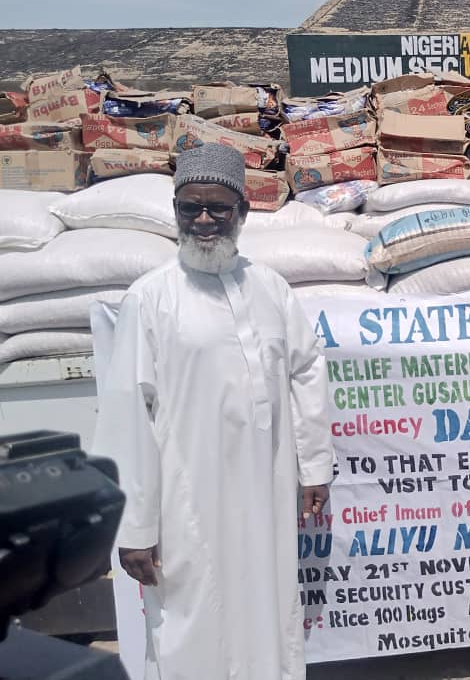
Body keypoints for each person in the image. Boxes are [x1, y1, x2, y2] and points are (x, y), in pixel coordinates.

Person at [93, 143, 335, 680]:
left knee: (268, 612)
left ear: (242, 212)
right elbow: (127, 417)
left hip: (267, 493)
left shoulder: (270, 289)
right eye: (191, 208)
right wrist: (135, 527)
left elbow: (305, 371)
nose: (203, 220)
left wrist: (315, 466)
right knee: (192, 625)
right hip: (186, 505)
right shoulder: (151, 298)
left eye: (218, 209)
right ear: (176, 212)